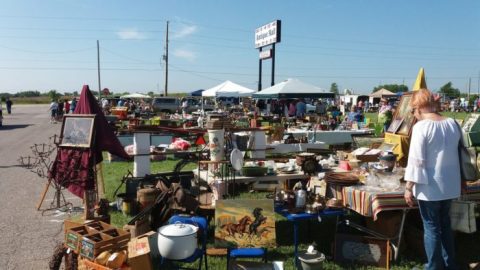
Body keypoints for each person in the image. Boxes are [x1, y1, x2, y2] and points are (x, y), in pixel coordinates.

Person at [404, 88, 460, 270]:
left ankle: (434, 267)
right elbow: (460, 153)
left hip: (430, 187)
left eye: (413, 110)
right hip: (450, 184)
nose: (414, 114)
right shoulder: (452, 122)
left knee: (432, 228)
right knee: (445, 225)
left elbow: (416, 161)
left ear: (418, 107)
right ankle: (449, 264)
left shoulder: (421, 127)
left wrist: (408, 186)